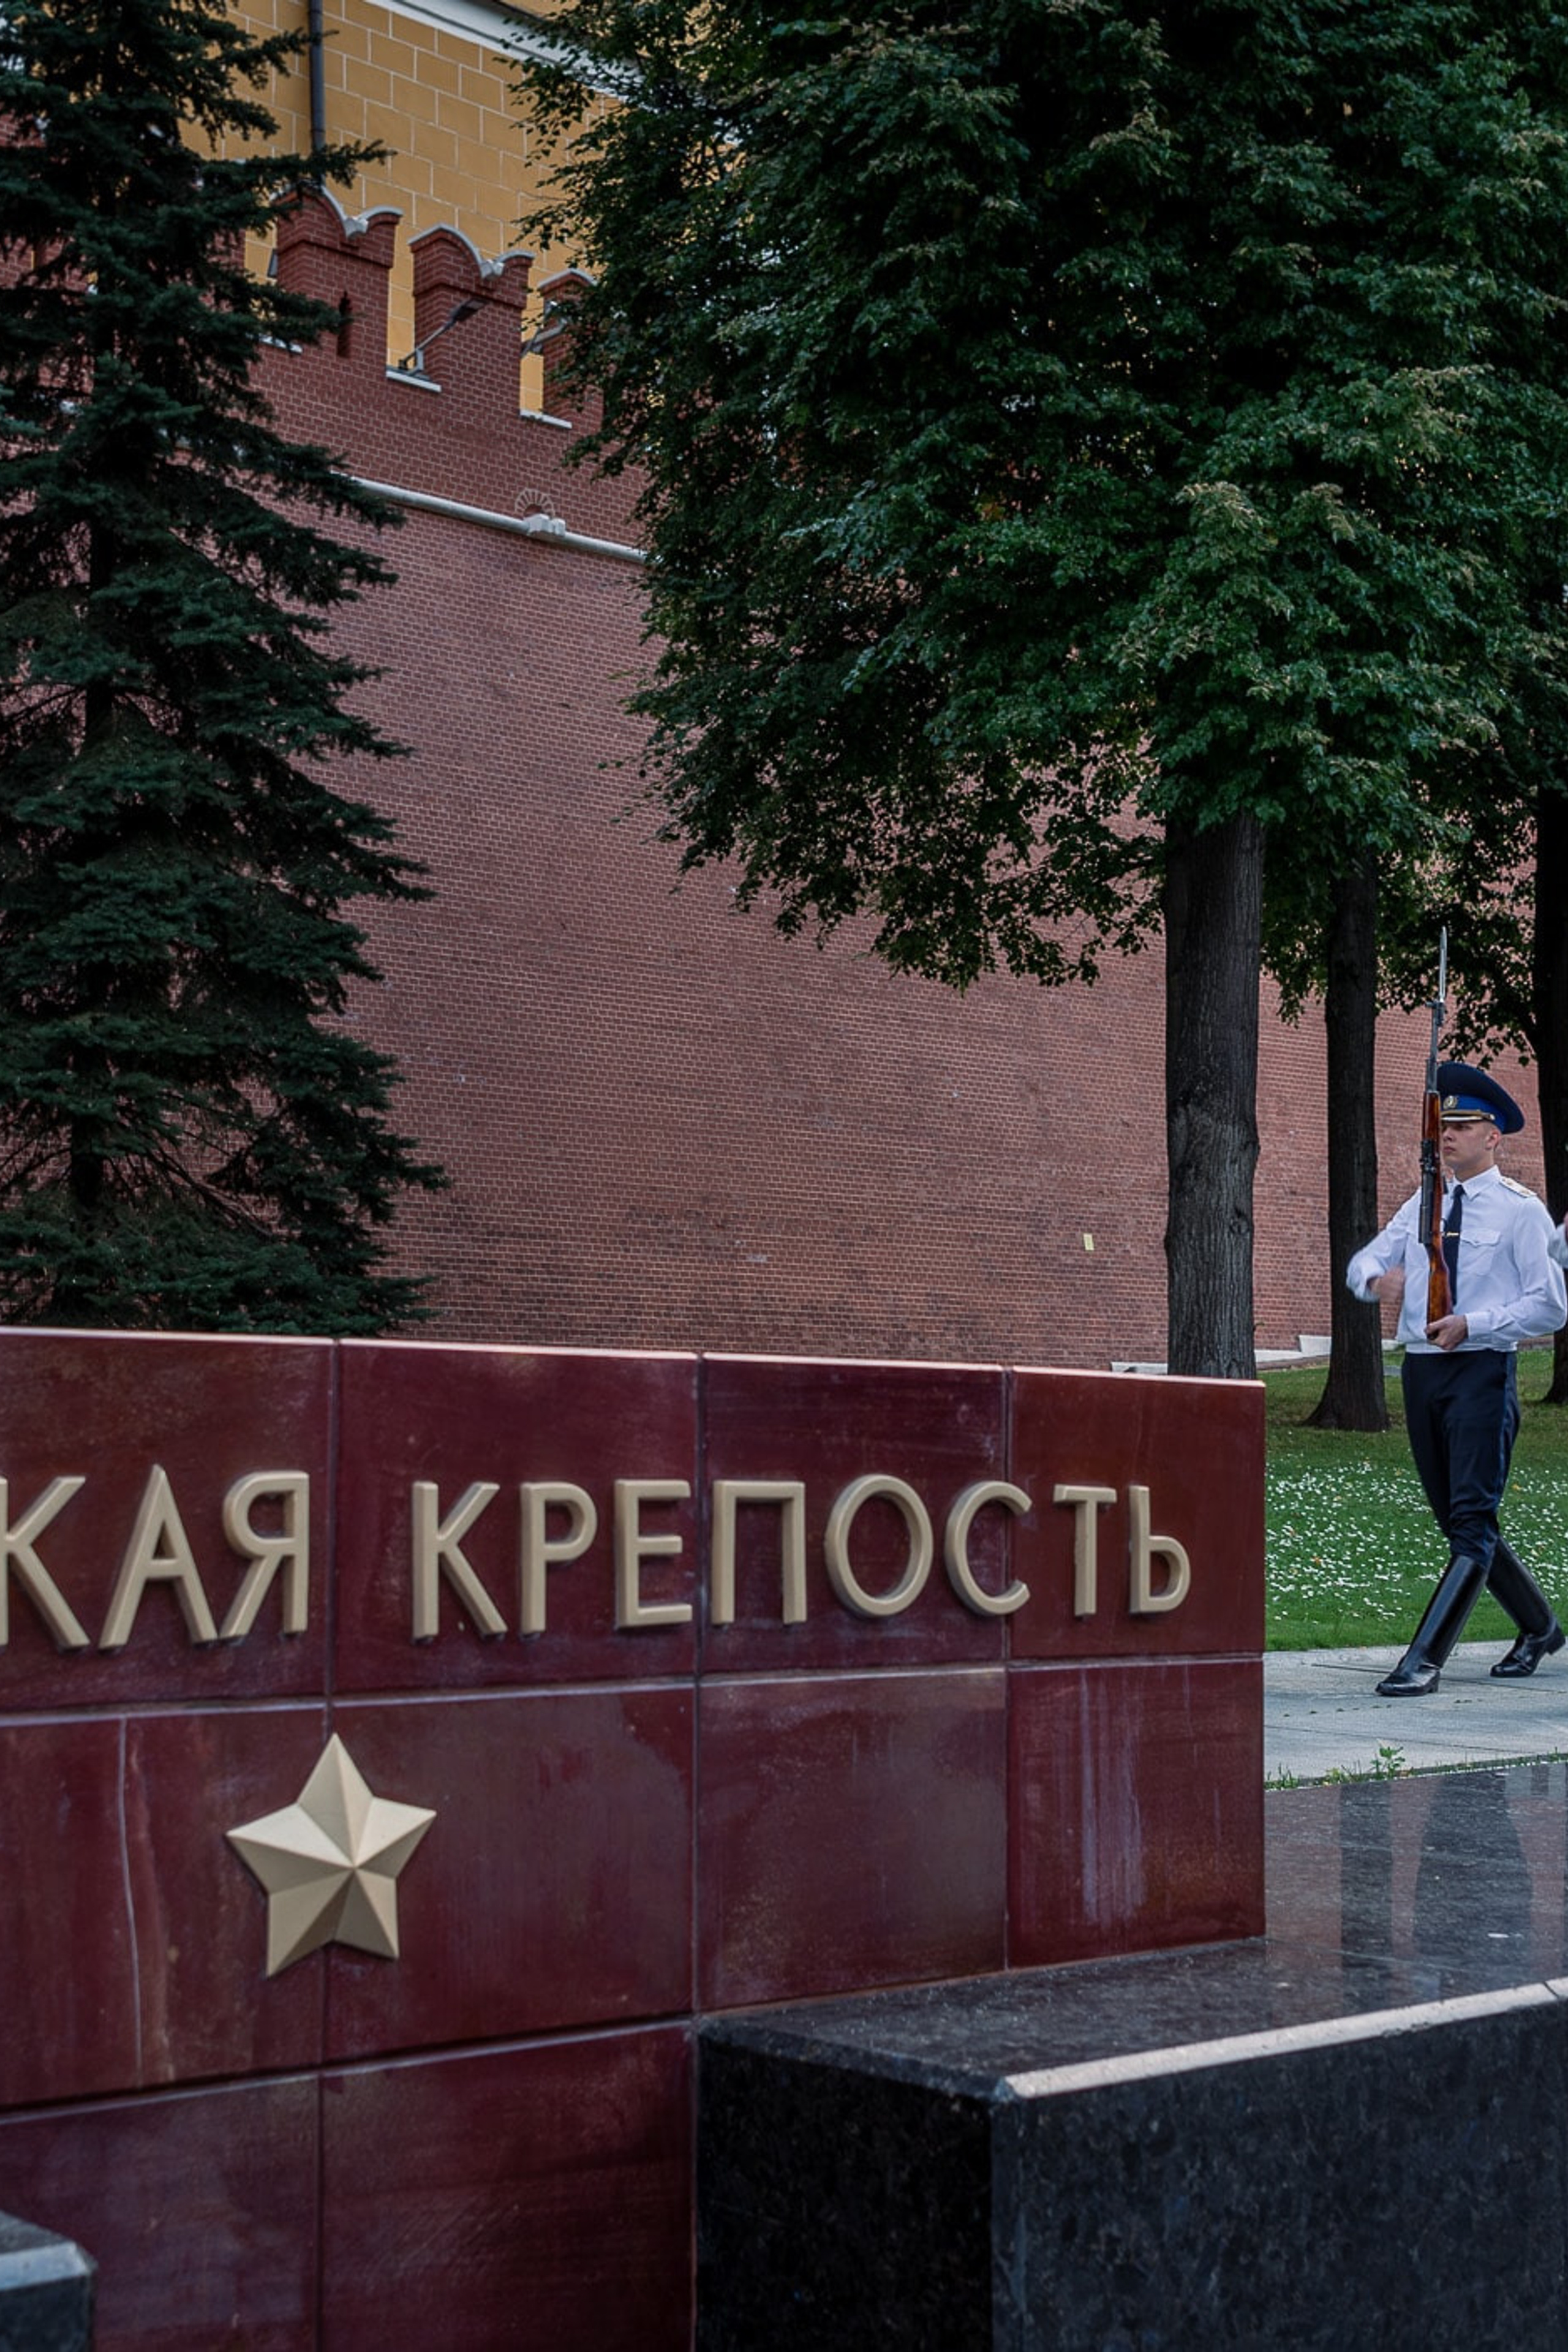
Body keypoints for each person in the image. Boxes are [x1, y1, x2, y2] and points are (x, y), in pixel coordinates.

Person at [1347, 1060, 1567, 1696]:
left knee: (1471, 1522)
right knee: (1459, 1524)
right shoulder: (1425, 1202)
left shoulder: (1522, 1212)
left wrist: (1475, 1322)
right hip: (1422, 1373)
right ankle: (1540, 1627)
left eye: (1464, 1126)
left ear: (1493, 1136)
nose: (1448, 1136)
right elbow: (1367, 1258)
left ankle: (1423, 1660)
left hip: (1481, 1373)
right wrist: (1372, 1280)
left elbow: (1552, 1305)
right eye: (1445, 1125)